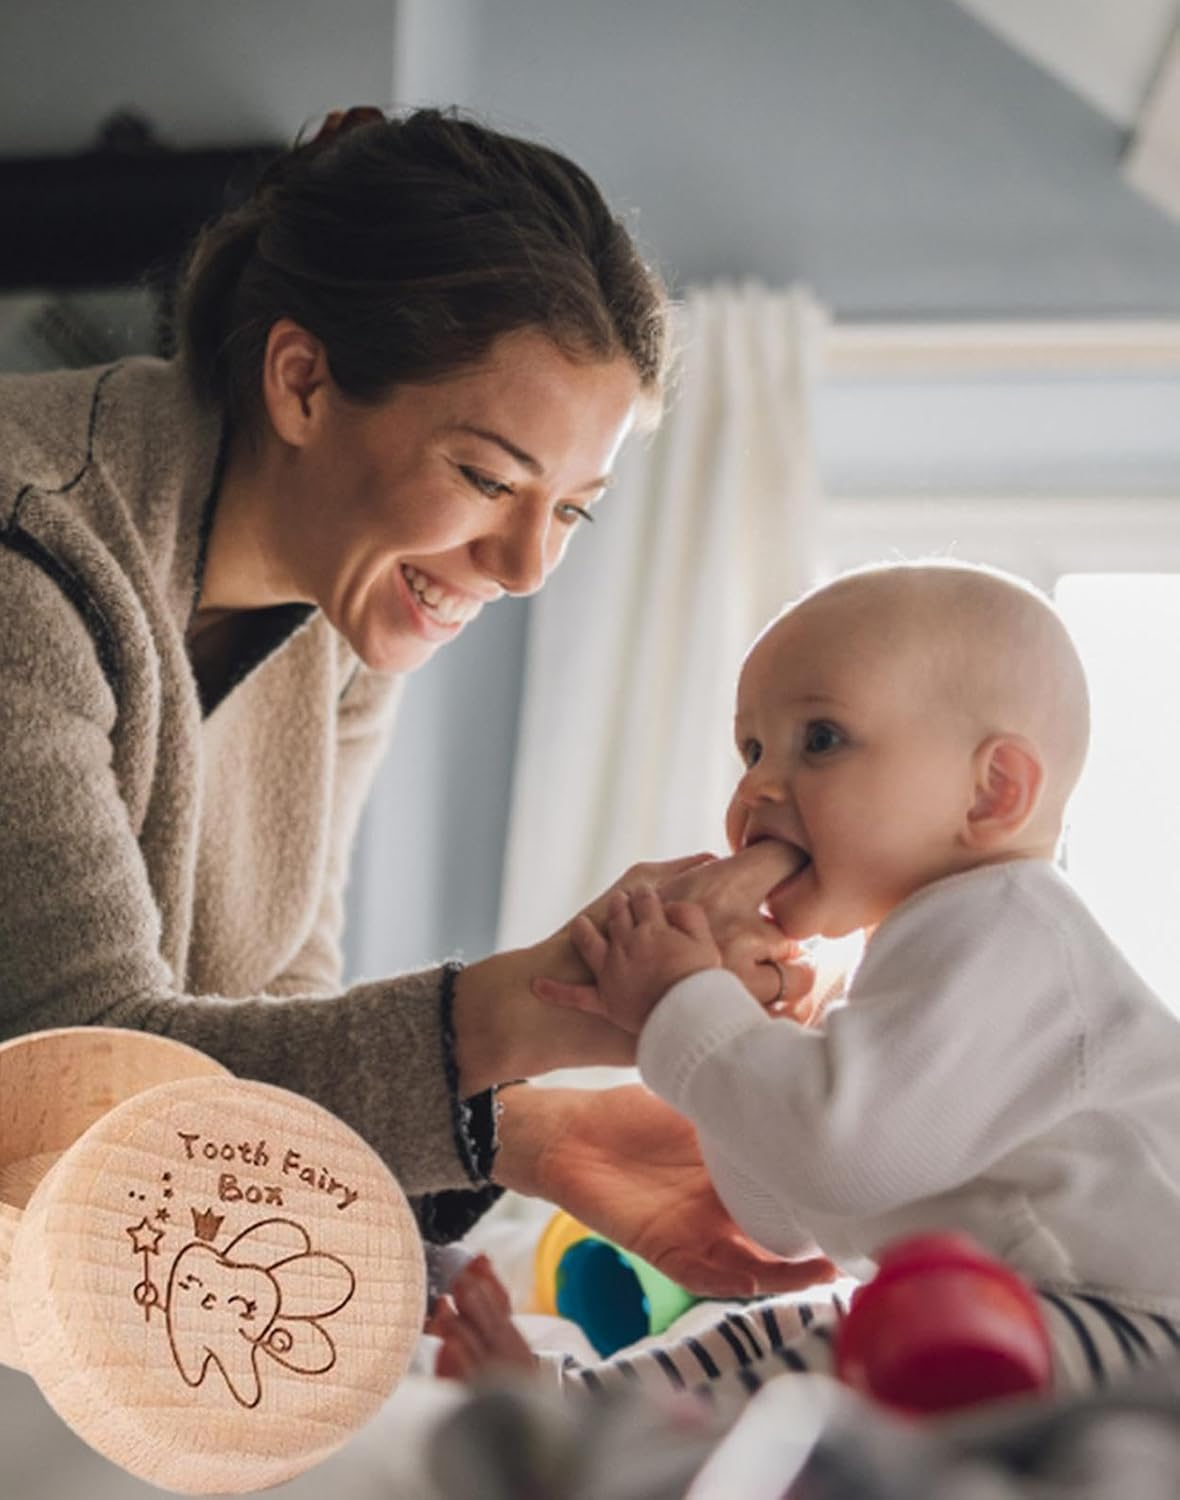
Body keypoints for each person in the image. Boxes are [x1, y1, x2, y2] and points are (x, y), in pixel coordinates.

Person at [0, 107, 825, 1305]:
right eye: (487, 477)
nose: (529, 566)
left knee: (386, 1305)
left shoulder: (343, 629)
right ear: (302, 381)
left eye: (573, 508)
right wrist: (557, 994)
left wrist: (530, 1134)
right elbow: (71, 1082)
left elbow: (263, 1016)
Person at [430, 560, 1180, 1410]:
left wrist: (689, 1011)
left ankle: (609, 1449)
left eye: (819, 739)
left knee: (842, 1356)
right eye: (750, 750)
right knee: (786, 1324)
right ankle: (585, 1410)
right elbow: (783, 1214)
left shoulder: (1009, 931)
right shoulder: (910, 955)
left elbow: (844, 1155)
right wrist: (757, 1032)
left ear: (992, 792)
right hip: (1010, 1308)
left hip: (1136, 1324)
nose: (756, 788)